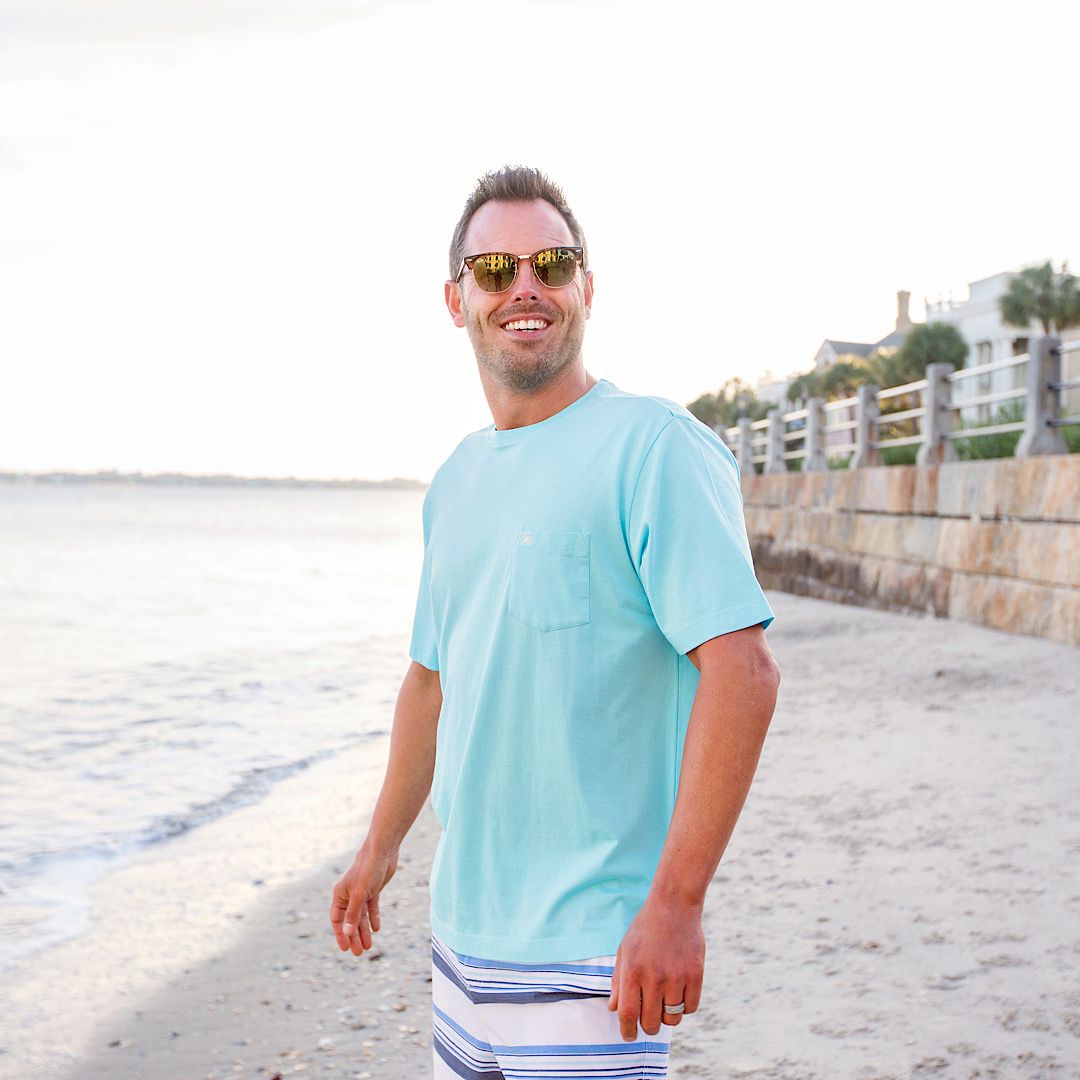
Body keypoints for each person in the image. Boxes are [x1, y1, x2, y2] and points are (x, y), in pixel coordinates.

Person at [330, 166, 781, 1078]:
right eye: (494, 269)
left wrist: (678, 903)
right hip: (460, 943)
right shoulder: (457, 479)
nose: (524, 287)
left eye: (552, 263)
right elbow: (432, 681)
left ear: (587, 288)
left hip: (589, 951)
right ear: (457, 301)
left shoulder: (655, 448)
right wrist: (379, 850)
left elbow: (743, 670)